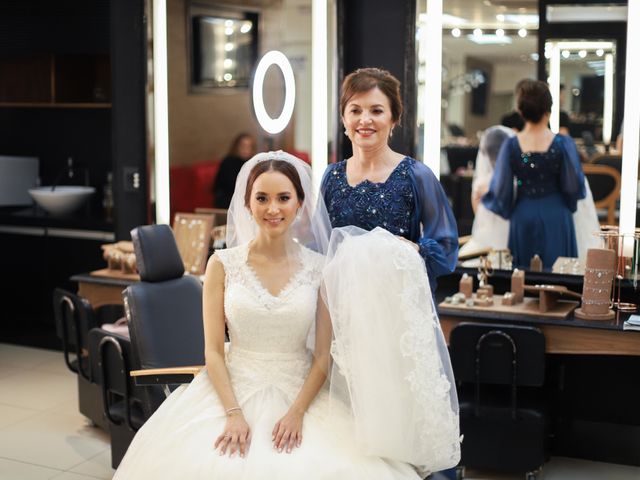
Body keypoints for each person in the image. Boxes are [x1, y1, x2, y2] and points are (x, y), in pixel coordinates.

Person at [112, 151, 459, 478]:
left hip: (302, 392)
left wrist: (296, 413)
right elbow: (214, 352)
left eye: (283, 198)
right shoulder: (222, 264)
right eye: (261, 198)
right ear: (247, 203)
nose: (272, 208)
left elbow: (322, 357)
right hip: (231, 391)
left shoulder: (321, 268)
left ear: (299, 204)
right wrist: (233, 414)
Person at [321, 67, 459, 293]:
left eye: (376, 111)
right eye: (355, 110)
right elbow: (321, 247)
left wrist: (416, 249)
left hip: (398, 302)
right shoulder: (332, 177)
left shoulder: (417, 175)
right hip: (344, 303)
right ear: (344, 118)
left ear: (394, 118)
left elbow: (447, 247)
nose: (365, 120)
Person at [482, 79, 586, 269]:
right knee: (559, 282)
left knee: (523, 282)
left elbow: (501, 191)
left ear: (521, 111)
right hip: (557, 215)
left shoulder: (511, 145)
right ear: (550, 109)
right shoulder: (564, 144)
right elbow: (573, 187)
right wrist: (566, 204)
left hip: (523, 216)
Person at [213, 133, 256, 208]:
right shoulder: (228, 162)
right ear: (236, 147)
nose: (246, 149)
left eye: (249, 147)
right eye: (243, 146)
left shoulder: (253, 163)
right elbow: (223, 186)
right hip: (228, 199)